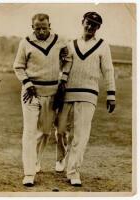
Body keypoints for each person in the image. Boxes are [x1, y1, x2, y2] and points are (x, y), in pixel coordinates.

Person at [54, 12, 116, 186]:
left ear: (98, 28)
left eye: (94, 25)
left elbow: (108, 70)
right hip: (67, 93)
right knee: (59, 131)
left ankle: (73, 171)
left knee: (80, 135)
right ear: (82, 22)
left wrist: (111, 94)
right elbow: (65, 67)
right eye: (88, 23)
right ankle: (61, 156)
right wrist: (61, 83)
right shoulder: (71, 44)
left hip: (89, 94)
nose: (90, 27)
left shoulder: (103, 46)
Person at [13, 13, 72, 186]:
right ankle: (29, 172)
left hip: (52, 92)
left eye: (44, 27)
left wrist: (63, 78)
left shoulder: (60, 40)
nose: (41, 31)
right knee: (29, 132)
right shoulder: (25, 43)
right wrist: (27, 83)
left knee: (45, 131)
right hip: (30, 93)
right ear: (32, 27)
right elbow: (18, 66)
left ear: (49, 26)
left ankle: (37, 159)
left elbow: (68, 59)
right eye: (37, 28)